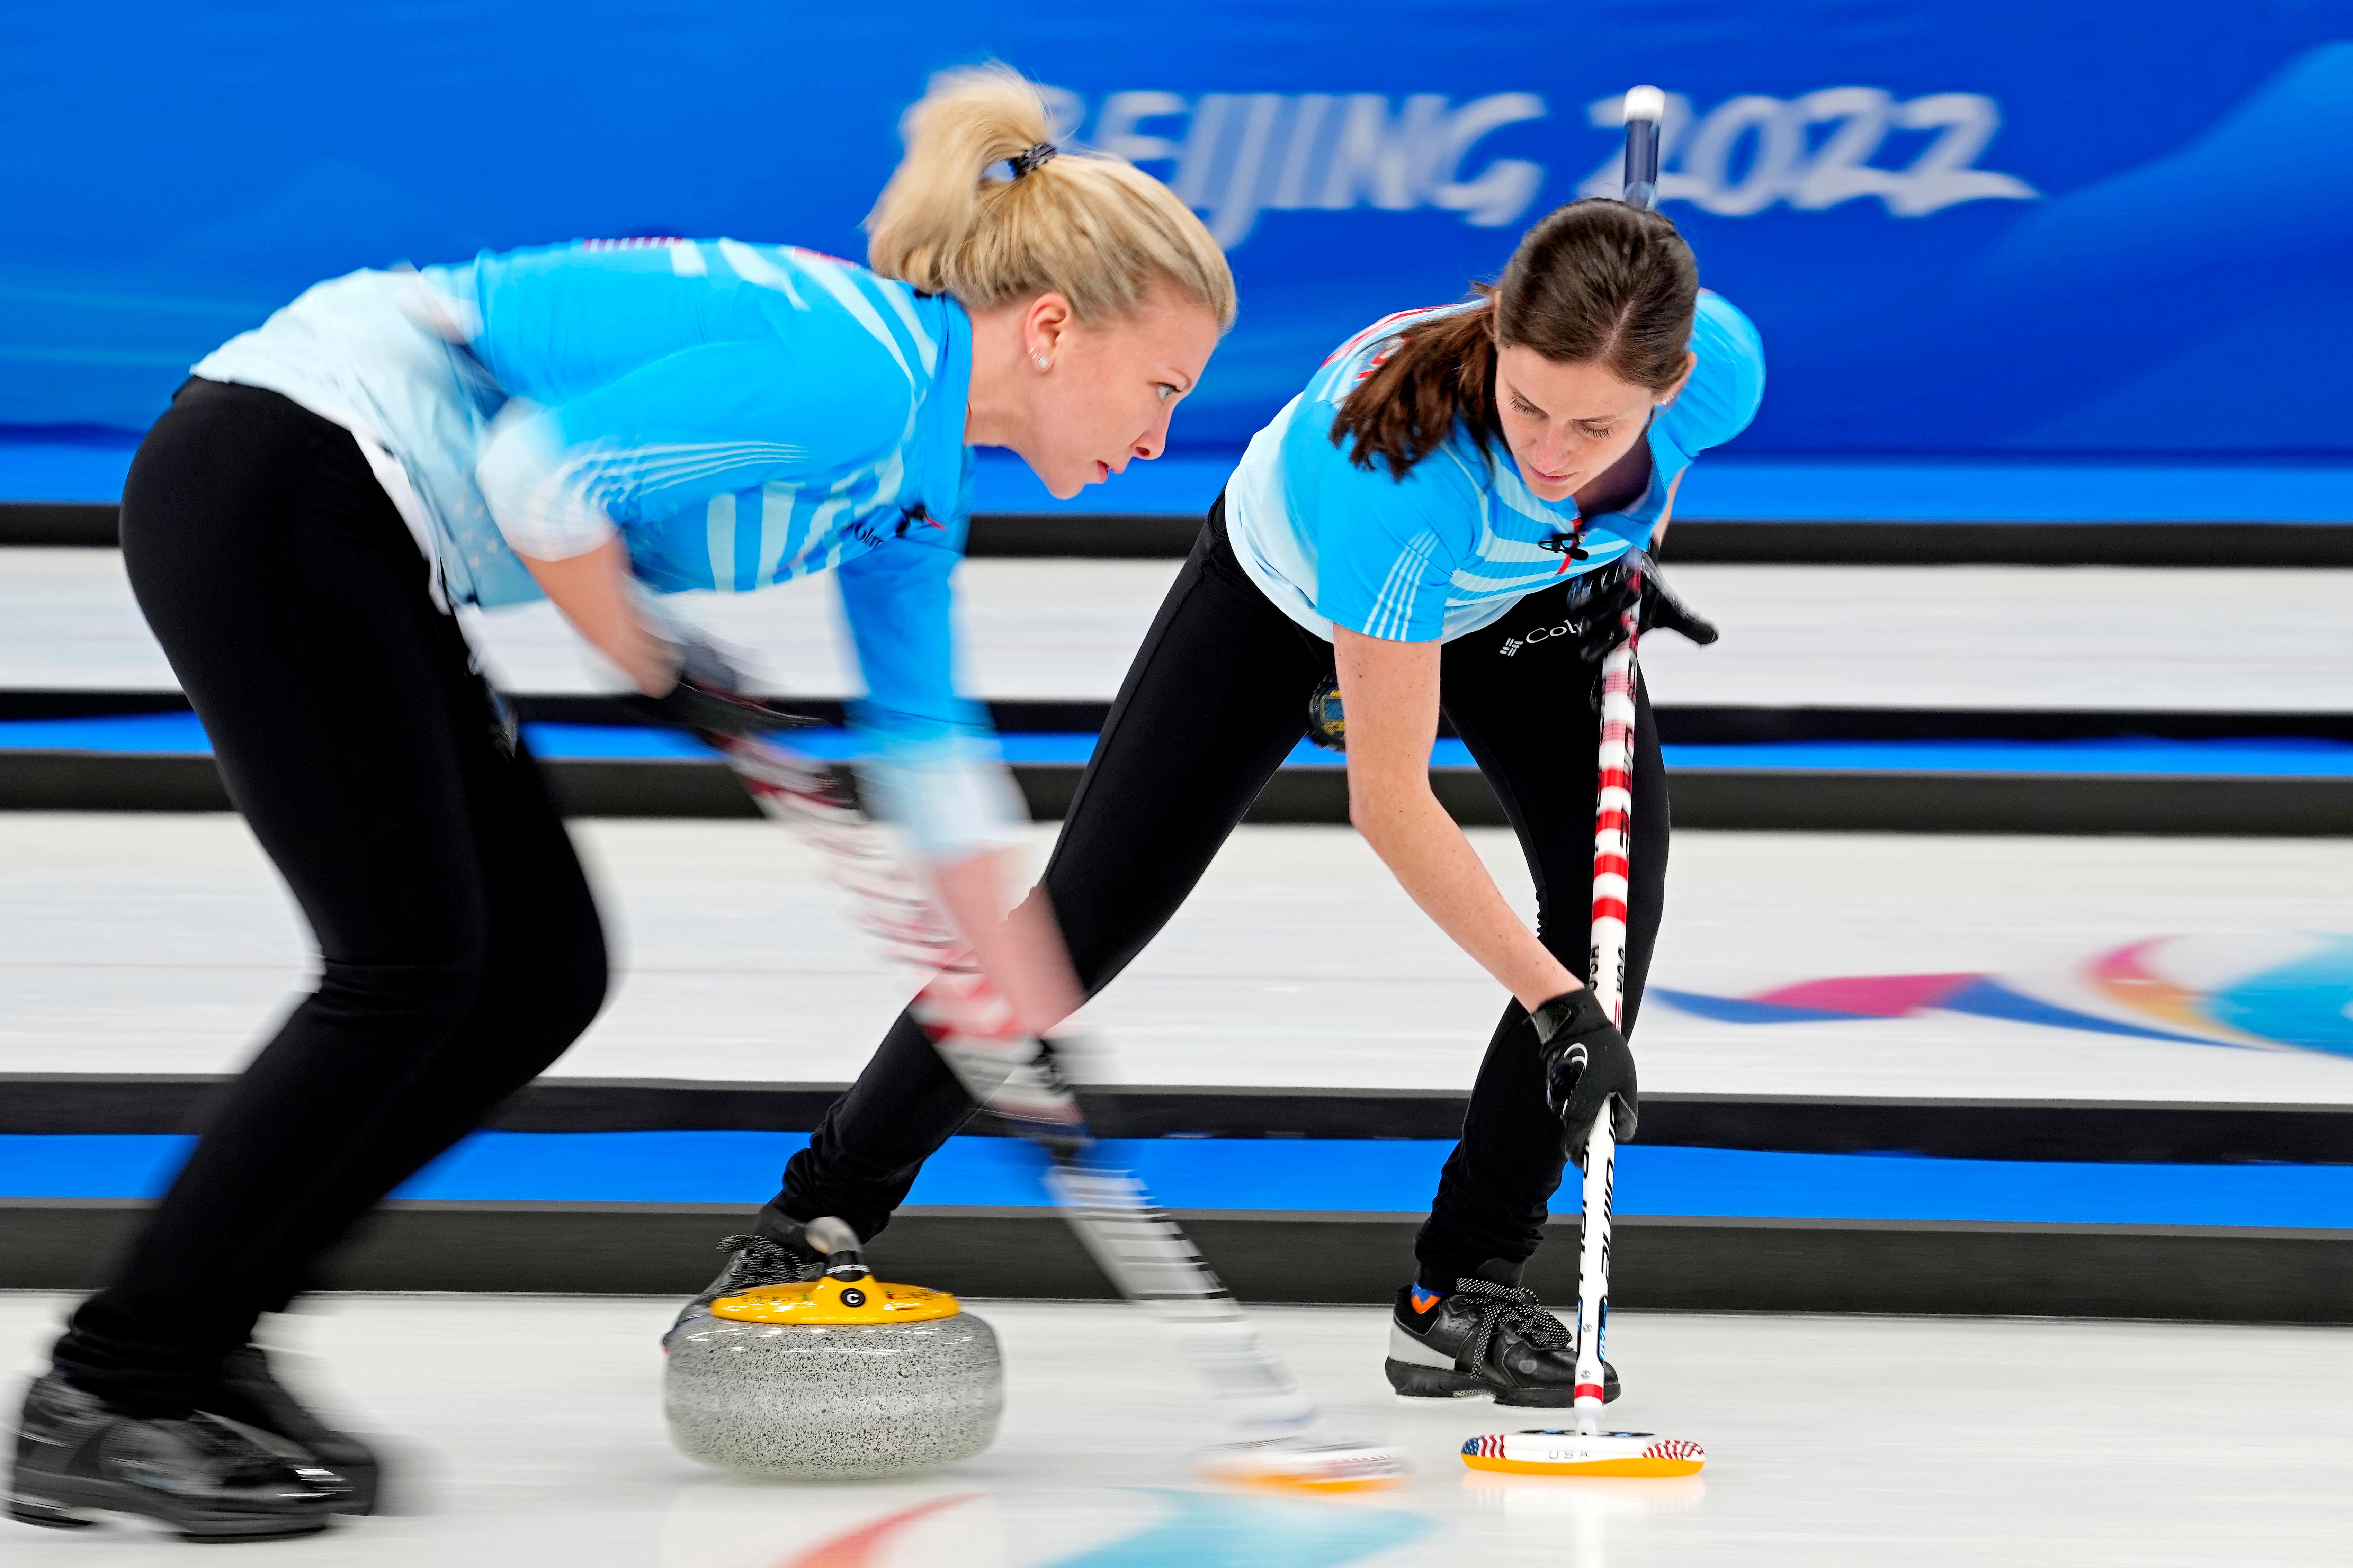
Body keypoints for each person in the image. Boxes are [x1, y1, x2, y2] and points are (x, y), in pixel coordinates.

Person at [8, 67, 1231, 1542]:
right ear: (1051, 329)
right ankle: (111, 1387)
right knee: (408, 964)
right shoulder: (856, 378)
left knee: (537, 969)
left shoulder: (913, 461)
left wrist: (1010, 993)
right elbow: (545, 475)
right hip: (284, 470)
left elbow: (924, 734)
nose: (1162, 436)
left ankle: (205, 1331)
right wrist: (663, 664)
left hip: (357, 519)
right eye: (1160, 386)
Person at [730, 197, 1763, 1406]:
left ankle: (1461, 1287)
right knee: (1073, 932)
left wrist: (1598, 559)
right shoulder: (1396, 468)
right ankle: (814, 1214)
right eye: (1526, 403)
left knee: (1607, 916)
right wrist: (1554, 1011)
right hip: (1285, 606)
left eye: (1593, 424)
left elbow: (1652, 473)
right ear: (1490, 333)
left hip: (1519, 607)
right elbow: (1387, 802)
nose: (1549, 446)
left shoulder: (1719, 373)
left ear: (1672, 381)